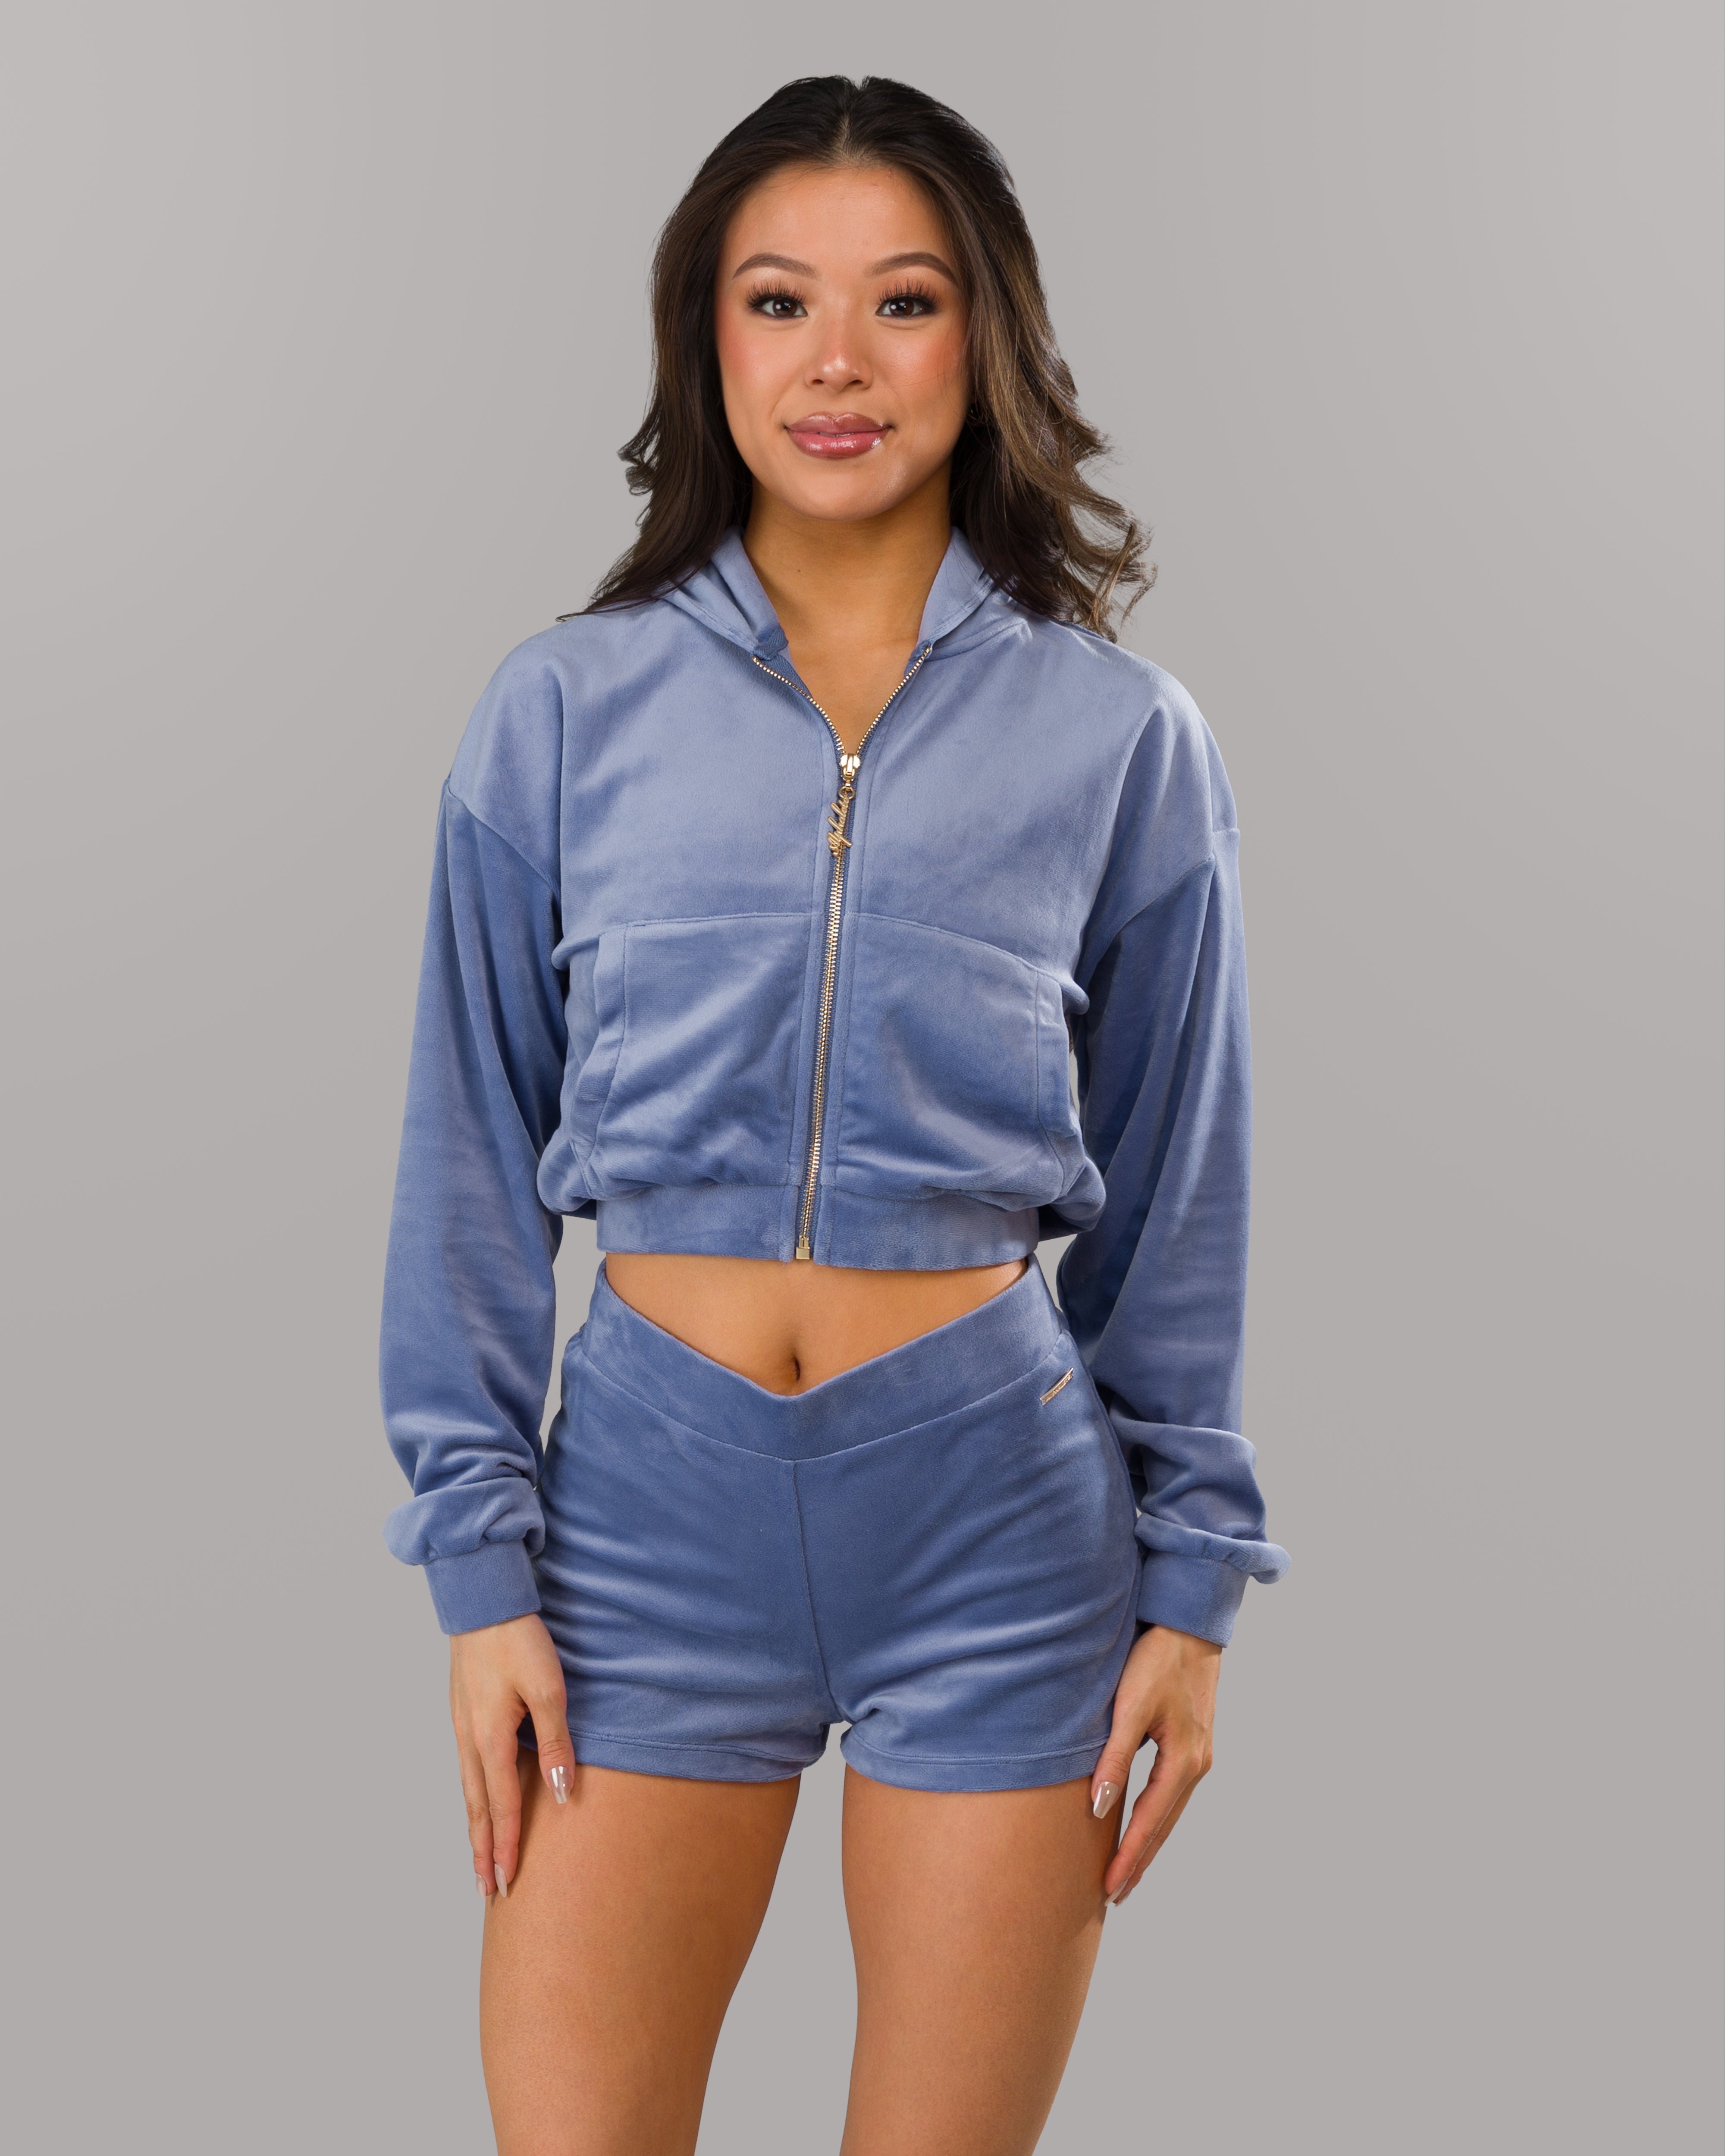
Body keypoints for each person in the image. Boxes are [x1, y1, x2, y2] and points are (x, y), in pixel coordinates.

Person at [379, 72, 1289, 2156]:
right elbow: (464, 1164)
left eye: (905, 300)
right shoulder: (559, 712)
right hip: (640, 1523)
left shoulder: (1120, 737)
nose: (838, 362)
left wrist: (1193, 1596)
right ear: (705, 339)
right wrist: (479, 1578)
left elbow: (1183, 1186)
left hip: (996, 1524)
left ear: (988, 339)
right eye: (778, 299)